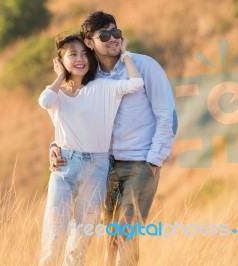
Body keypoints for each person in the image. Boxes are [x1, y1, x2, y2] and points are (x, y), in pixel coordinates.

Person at [49, 12, 178, 266]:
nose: (113, 39)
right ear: (89, 42)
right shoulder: (88, 77)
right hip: (103, 166)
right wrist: (54, 146)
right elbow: (68, 119)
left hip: (140, 163)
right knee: (112, 238)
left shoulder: (144, 66)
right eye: (104, 35)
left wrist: (154, 160)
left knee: (124, 231)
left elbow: (167, 117)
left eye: (116, 33)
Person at [38, 32, 144, 266]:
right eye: (72, 54)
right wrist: (60, 77)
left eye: (85, 54)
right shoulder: (56, 94)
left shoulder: (102, 87)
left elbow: (136, 83)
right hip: (64, 166)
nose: (80, 59)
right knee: (53, 239)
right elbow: (44, 102)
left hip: (96, 168)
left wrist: (125, 53)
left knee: (79, 243)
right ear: (60, 61)